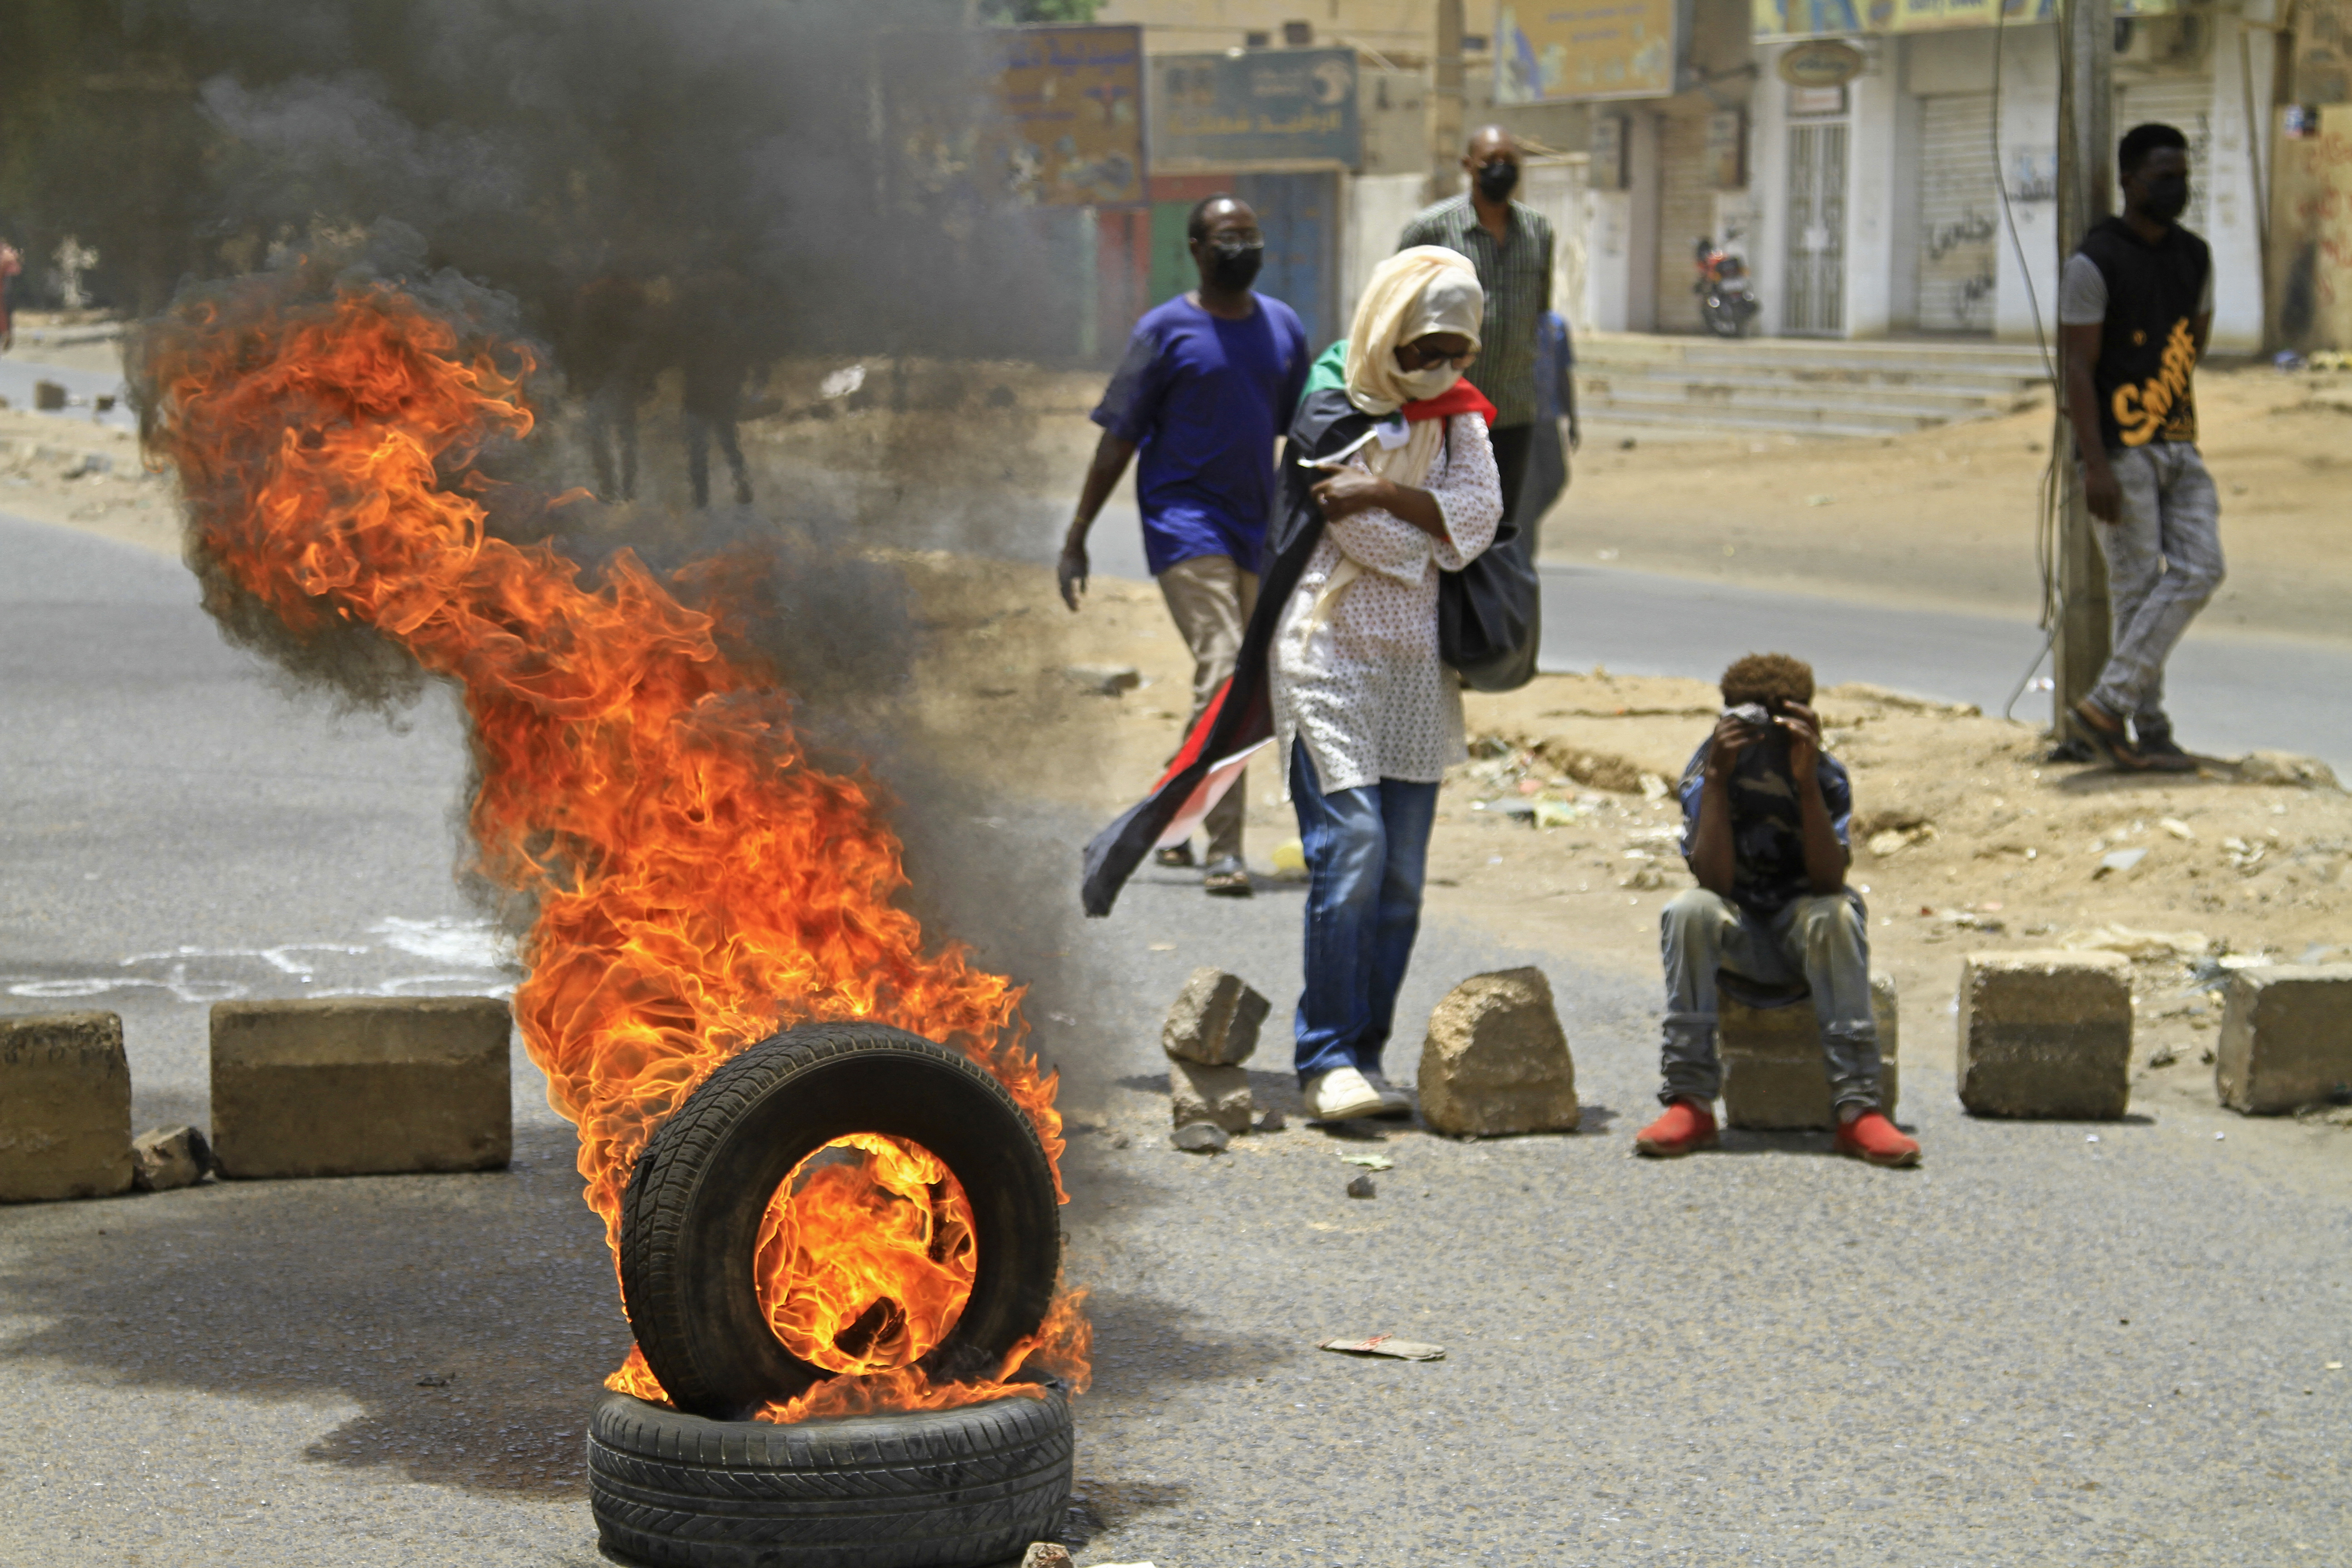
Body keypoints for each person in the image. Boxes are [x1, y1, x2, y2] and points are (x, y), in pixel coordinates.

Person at [1276, 247, 1501, 1122]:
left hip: (1416, 669)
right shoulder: (1328, 408)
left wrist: (1384, 493)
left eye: (1458, 352)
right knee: (1353, 849)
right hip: (1325, 651)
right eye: (1424, 351)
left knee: (1402, 876)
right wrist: (1425, 516)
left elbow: (1478, 518)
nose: (1441, 370)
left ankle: (1365, 1055)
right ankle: (1323, 1053)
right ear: (1387, 331)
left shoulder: (1459, 414)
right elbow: (1399, 547)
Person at [1061, 194, 1310, 897]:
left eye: (1250, 236)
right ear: (1197, 250)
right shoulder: (1163, 331)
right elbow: (1119, 437)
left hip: (1257, 527)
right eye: (1227, 237)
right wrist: (1077, 534)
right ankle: (1224, 849)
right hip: (1183, 521)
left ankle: (1168, 806)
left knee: (1246, 680)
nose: (1242, 248)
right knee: (1226, 667)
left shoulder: (1283, 328)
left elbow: (1304, 434)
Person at [1635, 653, 1920, 1167]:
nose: (1763, 735)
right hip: (1738, 942)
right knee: (1688, 910)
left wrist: (1805, 781)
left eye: (1777, 720)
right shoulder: (1708, 771)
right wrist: (1721, 780)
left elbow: (1829, 880)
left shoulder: (1824, 774)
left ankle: (1859, 1111)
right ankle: (1690, 1102)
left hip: (1803, 945)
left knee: (1837, 911)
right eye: (1751, 721)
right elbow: (1714, 881)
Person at [2061, 122, 2218, 774]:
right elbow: (2076, 368)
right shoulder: (2095, 261)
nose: (2176, 188)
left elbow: (2197, 338)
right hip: (2121, 452)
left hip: (2179, 442)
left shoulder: (2195, 256)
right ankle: (2147, 729)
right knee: (2134, 592)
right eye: (2163, 178)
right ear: (2129, 181)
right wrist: (2095, 463)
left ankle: (2106, 707)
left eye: (2182, 176)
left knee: (2199, 568)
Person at [1398, 126, 1554, 534]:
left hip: (1514, 409)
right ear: (1469, 166)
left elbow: (1539, 309)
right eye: (1490, 163)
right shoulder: (1431, 229)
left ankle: (1490, 598)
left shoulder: (1539, 233)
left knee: (1498, 527)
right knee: (1442, 523)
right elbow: (1397, 311)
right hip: (1446, 407)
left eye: (1510, 163)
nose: (1501, 171)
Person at [1519, 308, 1579, 556]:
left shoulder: (1556, 326)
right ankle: (1523, 549)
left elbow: (1563, 373)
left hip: (1548, 417)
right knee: (1529, 488)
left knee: (1556, 478)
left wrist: (1573, 418)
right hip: (1519, 419)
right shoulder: (1515, 324)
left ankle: (1521, 527)